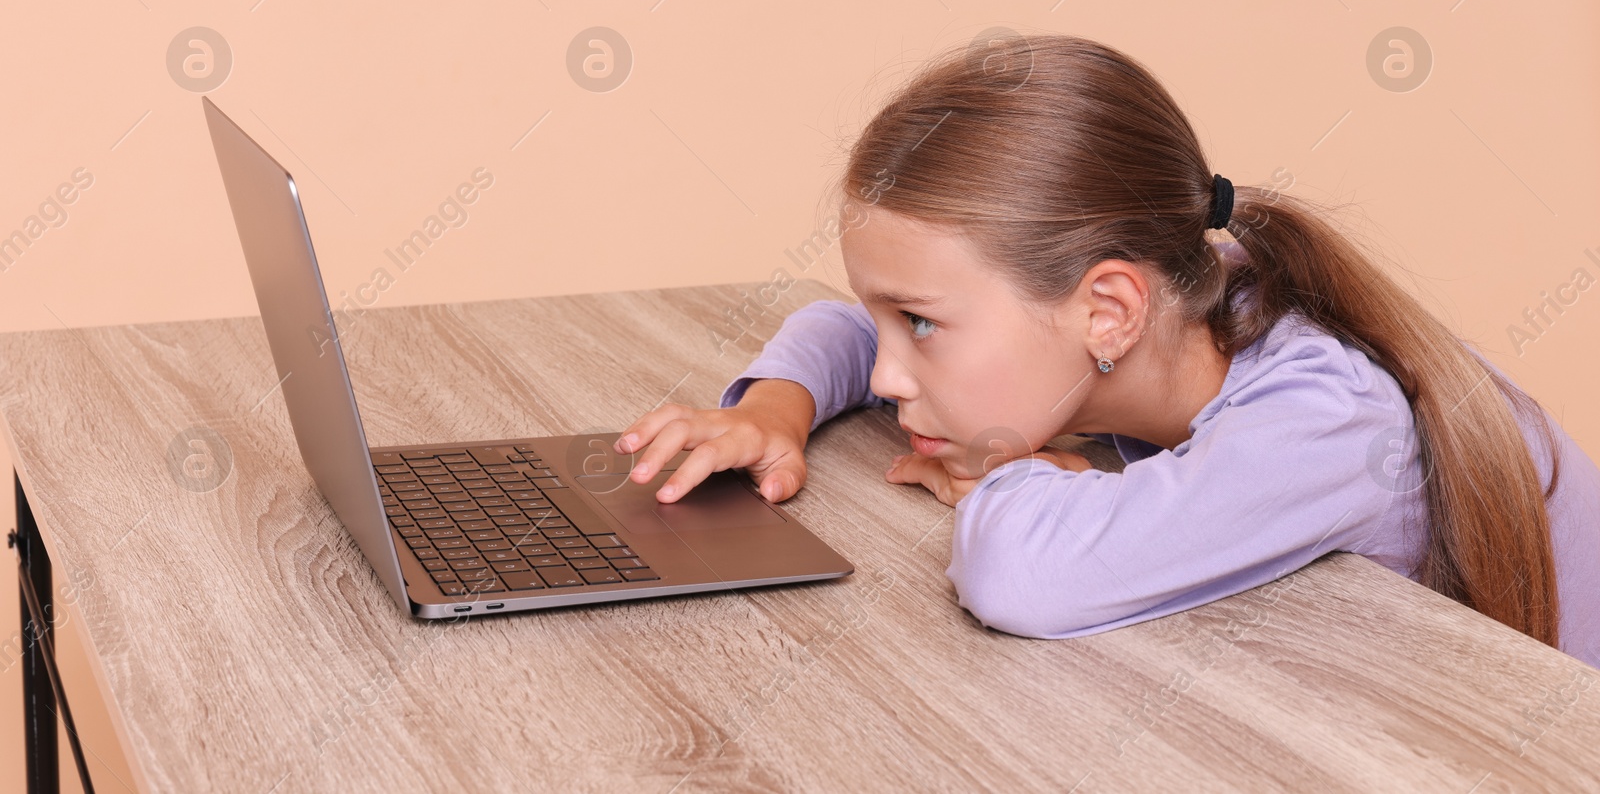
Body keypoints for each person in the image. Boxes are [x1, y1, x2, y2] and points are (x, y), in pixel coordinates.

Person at [611, 33, 1600, 668]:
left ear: (1108, 312)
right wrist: (768, 413)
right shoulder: (1181, 304)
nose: (880, 370)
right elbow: (834, 328)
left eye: (918, 322)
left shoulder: (1328, 419)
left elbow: (1017, 573)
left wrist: (1029, 485)